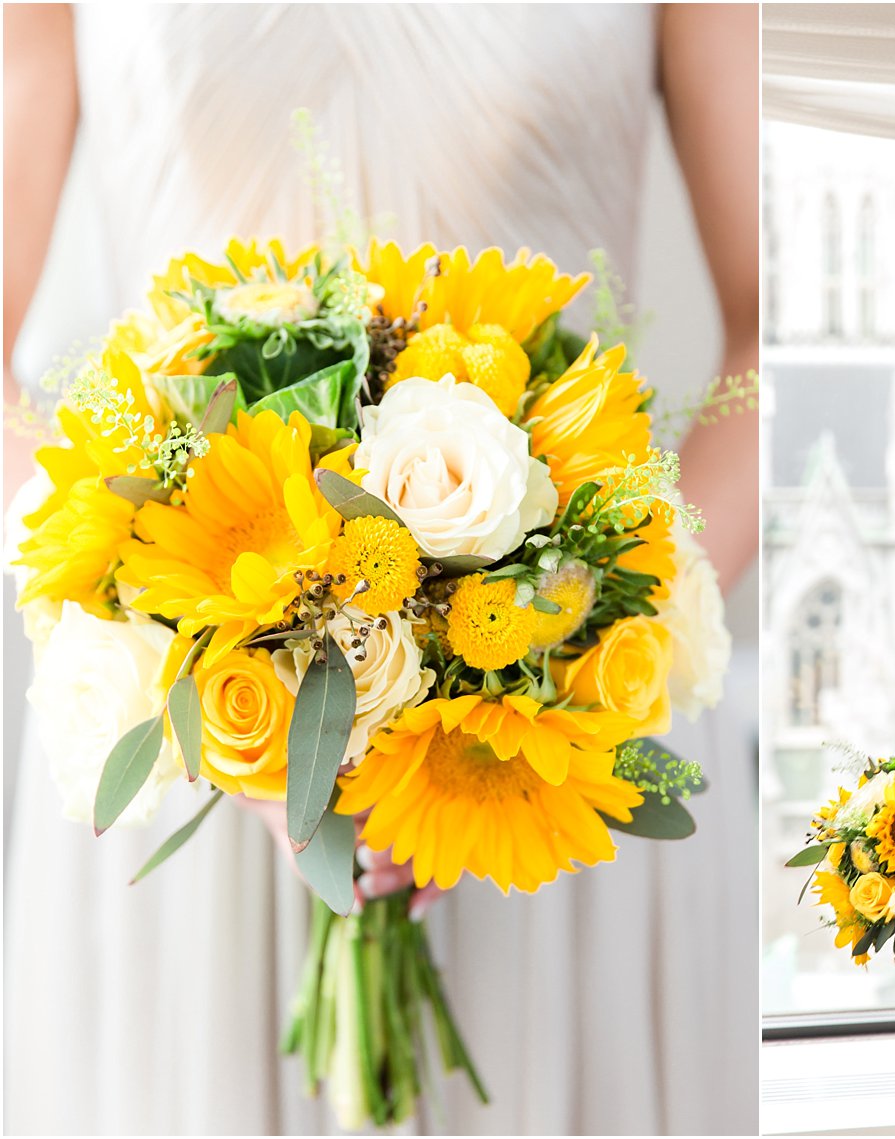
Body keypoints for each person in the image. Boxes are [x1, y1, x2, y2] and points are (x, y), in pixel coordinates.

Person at [3, 4, 758, 1134]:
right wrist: (195, 664)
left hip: (559, 728)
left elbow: (769, 336)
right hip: (184, 733)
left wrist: (573, 627)